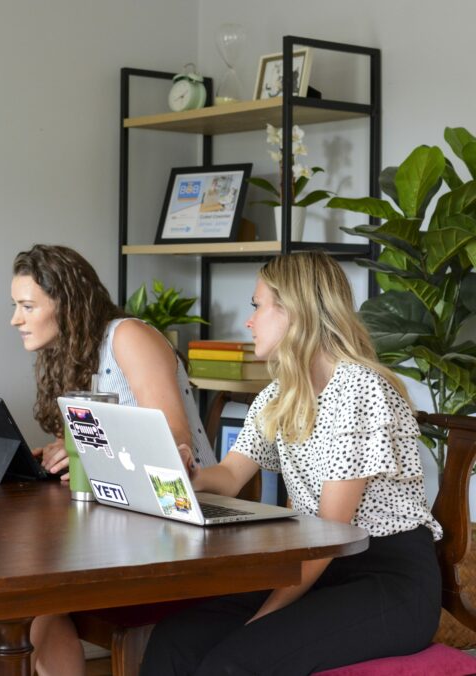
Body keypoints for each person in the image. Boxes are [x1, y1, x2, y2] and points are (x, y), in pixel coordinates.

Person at [139, 251, 443, 676]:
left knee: (235, 661)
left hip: (384, 580)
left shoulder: (359, 389)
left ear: (294, 312)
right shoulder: (279, 396)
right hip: (316, 565)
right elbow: (227, 478)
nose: (249, 320)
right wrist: (184, 471)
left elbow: (333, 532)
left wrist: (267, 614)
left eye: (256, 306)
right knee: (175, 641)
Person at [10, 243, 216, 676]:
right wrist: (62, 450)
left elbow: (174, 439)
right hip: (122, 520)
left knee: (39, 602)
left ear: (66, 304)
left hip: (175, 525)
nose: (16, 319)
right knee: (37, 604)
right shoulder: (71, 351)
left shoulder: (128, 336)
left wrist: (83, 448)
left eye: (28, 306)